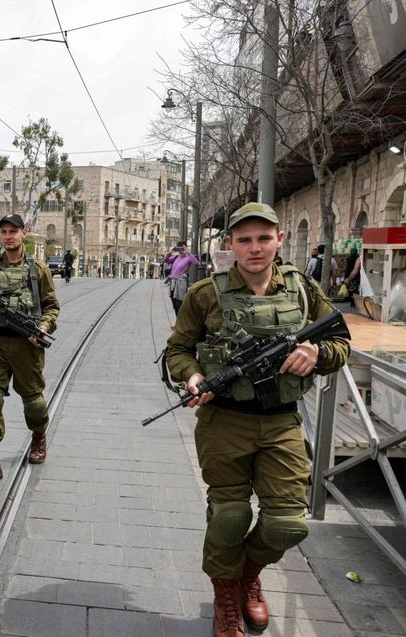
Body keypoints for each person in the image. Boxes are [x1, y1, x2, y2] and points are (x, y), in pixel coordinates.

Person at [165, 203, 349, 637]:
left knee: (287, 523)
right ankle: (227, 594)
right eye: (244, 240)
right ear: (229, 244)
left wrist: (317, 352)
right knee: (228, 516)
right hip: (224, 421)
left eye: (264, 238)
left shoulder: (303, 290)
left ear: (279, 240)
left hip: (282, 422)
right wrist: (191, 376)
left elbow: (340, 339)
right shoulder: (205, 294)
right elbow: (177, 350)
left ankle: (248, 573)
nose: (254, 248)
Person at [0, 214, 59, 488]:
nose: (8, 236)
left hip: (26, 345)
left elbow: (52, 306)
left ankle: (38, 436)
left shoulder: (38, 270)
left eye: (13, 231)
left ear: (24, 234)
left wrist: (42, 326)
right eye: (3, 232)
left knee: (34, 402)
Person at [164, 241, 199, 313]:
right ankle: (178, 321)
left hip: (181, 282)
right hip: (173, 282)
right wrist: (171, 252)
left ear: (186, 248)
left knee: (179, 304)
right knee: (174, 304)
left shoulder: (188, 257)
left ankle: (181, 322)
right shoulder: (176, 256)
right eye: (179, 248)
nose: (181, 250)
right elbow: (166, 260)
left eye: (183, 248)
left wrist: (188, 252)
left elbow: (196, 262)